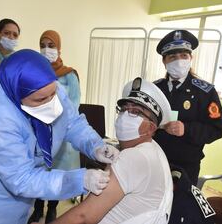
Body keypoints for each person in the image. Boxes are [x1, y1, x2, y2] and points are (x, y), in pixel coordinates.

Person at [0, 49, 120, 224]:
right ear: (17, 96)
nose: (50, 104)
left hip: (23, 180)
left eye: (53, 95)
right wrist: (80, 179)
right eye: (40, 101)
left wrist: (95, 146)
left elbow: (72, 123)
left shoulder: (47, 86)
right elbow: (21, 179)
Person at [47, 77, 174, 224]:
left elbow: (83, 216)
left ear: (151, 128)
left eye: (135, 112)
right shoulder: (155, 149)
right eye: (124, 109)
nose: (125, 115)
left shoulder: (134, 157)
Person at [153, 29, 222, 184]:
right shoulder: (155, 89)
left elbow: (216, 129)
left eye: (184, 56)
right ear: (164, 61)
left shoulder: (205, 91)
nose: (179, 61)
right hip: (155, 158)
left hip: (186, 165)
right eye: (172, 57)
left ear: (191, 58)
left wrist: (186, 129)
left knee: (180, 206)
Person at [28, 30, 81, 224]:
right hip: (37, 131)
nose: (46, 49)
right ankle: (37, 207)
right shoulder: (34, 71)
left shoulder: (69, 76)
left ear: (59, 48)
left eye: (51, 45)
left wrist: (54, 120)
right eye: (43, 45)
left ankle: (52, 208)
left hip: (61, 134)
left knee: (56, 173)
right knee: (38, 171)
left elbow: (74, 105)